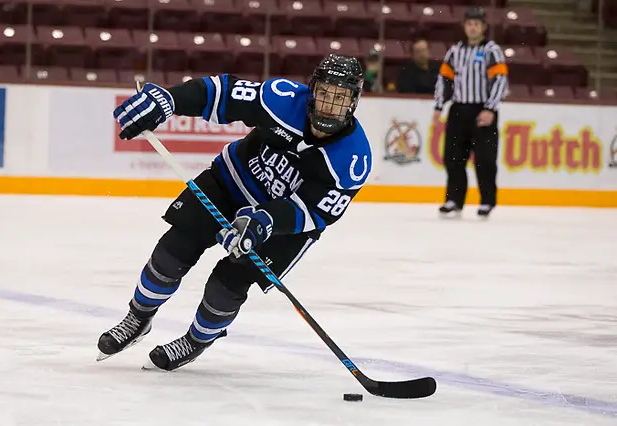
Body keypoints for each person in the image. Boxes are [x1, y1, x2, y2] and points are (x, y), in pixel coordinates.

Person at [96, 54, 372, 371]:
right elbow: (222, 94)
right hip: (231, 181)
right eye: (324, 93)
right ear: (312, 91)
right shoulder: (282, 99)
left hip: (282, 224)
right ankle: (138, 318)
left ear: (352, 102)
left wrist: (264, 221)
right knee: (174, 249)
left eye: (339, 98)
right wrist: (170, 99)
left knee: (228, 283)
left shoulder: (353, 159)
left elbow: (315, 212)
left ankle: (195, 341)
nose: (328, 105)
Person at [433, 7, 508, 218]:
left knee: (484, 159)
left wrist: (490, 108)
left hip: (482, 110)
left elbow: (500, 81)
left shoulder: (491, 50)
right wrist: (439, 106)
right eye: (469, 24)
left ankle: (487, 202)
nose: (472, 27)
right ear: (464, 27)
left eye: (477, 24)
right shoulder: (455, 51)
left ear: (483, 28)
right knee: (453, 158)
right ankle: (454, 200)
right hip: (459, 109)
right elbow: (444, 80)